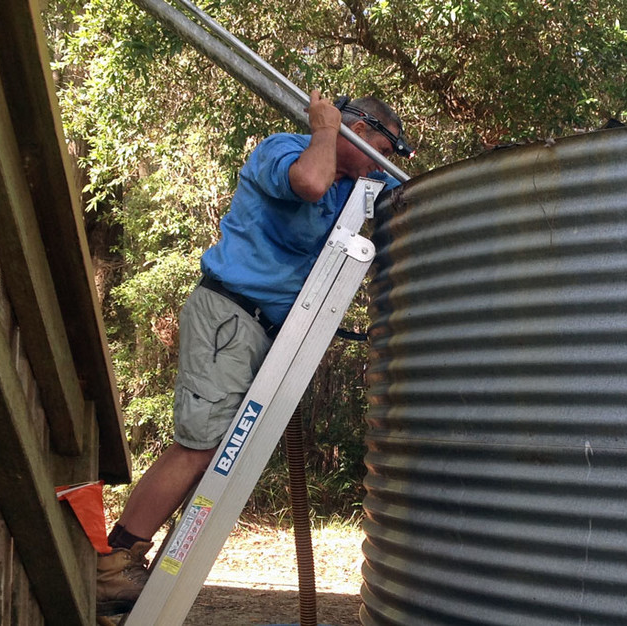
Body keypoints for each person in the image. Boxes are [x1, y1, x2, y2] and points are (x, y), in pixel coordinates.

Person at [95, 90, 410, 615]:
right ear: (357, 127)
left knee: (219, 453)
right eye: (383, 146)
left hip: (265, 332)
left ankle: (142, 562)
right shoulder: (287, 150)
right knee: (198, 446)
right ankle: (112, 564)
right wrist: (326, 127)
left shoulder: (349, 192)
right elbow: (308, 182)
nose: (382, 162)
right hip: (231, 316)